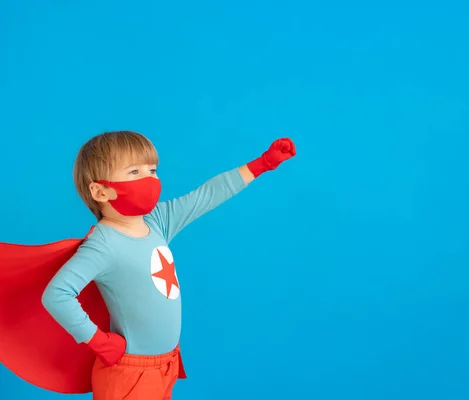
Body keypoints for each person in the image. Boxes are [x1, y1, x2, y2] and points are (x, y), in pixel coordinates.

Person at [0, 131, 296, 400]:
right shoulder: (103, 245)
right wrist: (99, 342)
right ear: (100, 192)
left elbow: (206, 196)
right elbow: (57, 294)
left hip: (164, 365)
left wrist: (262, 164)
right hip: (130, 373)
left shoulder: (157, 221)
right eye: (135, 172)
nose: (151, 179)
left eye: (152, 170)